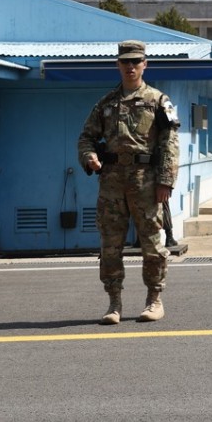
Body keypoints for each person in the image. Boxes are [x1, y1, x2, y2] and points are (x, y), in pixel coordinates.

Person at [78, 40, 181, 324]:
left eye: (136, 62)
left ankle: (154, 300)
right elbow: (86, 137)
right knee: (110, 245)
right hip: (111, 184)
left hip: (146, 183)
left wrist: (165, 181)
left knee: (152, 244)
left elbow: (170, 143)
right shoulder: (106, 104)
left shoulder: (158, 101)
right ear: (118, 65)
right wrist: (88, 157)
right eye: (126, 62)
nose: (131, 67)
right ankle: (114, 304)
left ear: (145, 64)